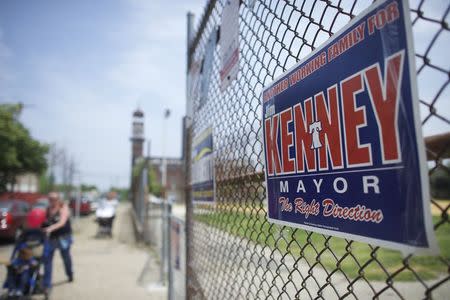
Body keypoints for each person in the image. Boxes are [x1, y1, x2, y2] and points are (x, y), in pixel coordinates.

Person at [42, 192, 73, 293]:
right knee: (47, 261)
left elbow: (62, 222)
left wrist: (51, 228)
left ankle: (70, 274)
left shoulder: (63, 208)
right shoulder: (47, 209)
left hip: (63, 238)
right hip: (51, 238)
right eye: (50, 198)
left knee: (66, 258)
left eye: (54, 199)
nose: (52, 201)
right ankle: (47, 285)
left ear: (59, 199)